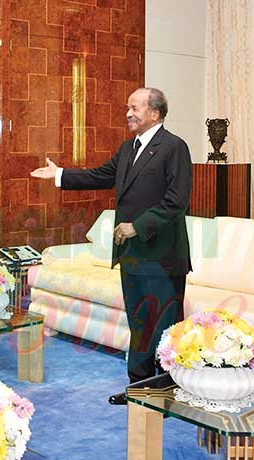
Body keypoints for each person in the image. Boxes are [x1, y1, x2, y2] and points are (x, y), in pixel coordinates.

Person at [31, 87, 192, 405]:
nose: (128, 113)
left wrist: (137, 226)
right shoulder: (128, 147)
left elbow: (177, 201)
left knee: (162, 325)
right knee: (139, 323)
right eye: (127, 107)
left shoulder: (174, 147)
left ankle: (164, 391)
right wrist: (60, 174)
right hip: (132, 254)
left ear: (154, 113)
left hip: (162, 256)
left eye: (134, 108)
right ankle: (140, 389)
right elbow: (101, 175)